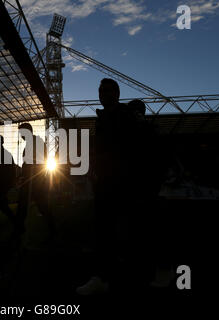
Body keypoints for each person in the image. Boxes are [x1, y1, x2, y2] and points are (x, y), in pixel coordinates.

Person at [77, 78, 140, 295]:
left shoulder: (124, 116)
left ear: (117, 93)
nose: (103, 94)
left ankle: (107, 276)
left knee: (117, 230)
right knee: (107, 230)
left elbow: (129, 149)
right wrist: (95, 166)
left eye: (107, 90)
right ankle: (106, 275)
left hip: (119, 182)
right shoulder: (103, 118)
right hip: (106, 182)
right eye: (101, 90)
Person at [14, 123, 56, 238]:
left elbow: (41, 160)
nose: (21, 135)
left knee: (41, 206)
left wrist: (32, 170)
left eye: (22, 132)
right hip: (30, 180)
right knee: (25, 206)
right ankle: (19, 229)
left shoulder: (36, 142)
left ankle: (52, 230)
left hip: (35, 180)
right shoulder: (30, 143)